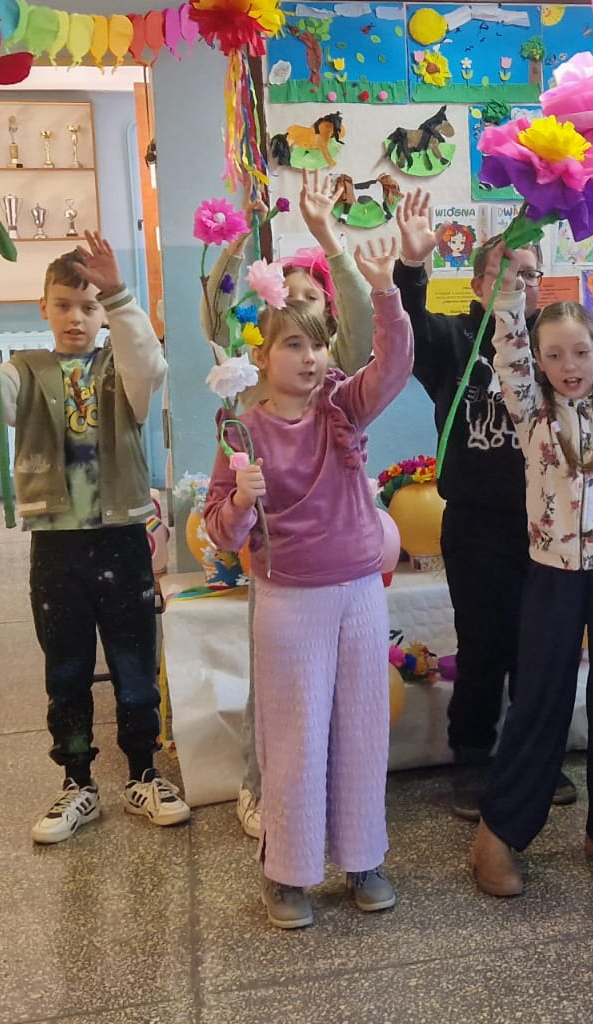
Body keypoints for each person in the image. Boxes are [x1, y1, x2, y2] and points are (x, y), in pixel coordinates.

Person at [204, 234, 412, 930]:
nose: (311, 357)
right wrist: (241, 501)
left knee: (361, 731)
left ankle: (364, 859)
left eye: (318, 344)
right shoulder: (242, 431)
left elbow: (395, 364)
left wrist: (385, 292)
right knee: (295, 739)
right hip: (289, 600)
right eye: (294, 344)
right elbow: (220, 534)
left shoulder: (342, 407)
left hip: (358, 592)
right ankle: (287, 873)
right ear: (262, 356)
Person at [0, 234, 182, 844]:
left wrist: (121, 295)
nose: (76, 318)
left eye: (88, 306)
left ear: (104, 312)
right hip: (57, 543)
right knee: (67, 666)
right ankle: (77, 781)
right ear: (44, 308)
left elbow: (150, 367)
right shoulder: (26, 371)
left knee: (135, 662)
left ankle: (142, 771)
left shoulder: (121, 370)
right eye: (63, 305)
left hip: (122, 537)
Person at [469, 220, 593, 897]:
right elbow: (507, 345)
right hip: (552, 577)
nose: (569, 365)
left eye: (581, 351)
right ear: (539, 361)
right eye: (554, 354)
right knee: (540, 702)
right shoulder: (530, 410)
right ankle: (497, 836)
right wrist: (505, 287)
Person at [392, 192, 577, 819]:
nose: (521, 284)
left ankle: (532, 757)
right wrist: (411, 269)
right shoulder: (455, 338)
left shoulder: (554, 345)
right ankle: (472, 756)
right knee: (483, 646)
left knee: (539, 648)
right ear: (477, 285)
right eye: (506, 272)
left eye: (531, 274)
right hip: (475, 526)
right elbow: (409, 330)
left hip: (546, 524)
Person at [234, 169, 375, 842]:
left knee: (341, 695)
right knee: (278, 689)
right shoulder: (253, 396)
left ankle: (342, 815)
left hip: (341, 556)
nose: (296, 309)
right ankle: (262, 788)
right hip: (279, 562)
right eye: (284, 302)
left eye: (310, 303)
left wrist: (330, 239)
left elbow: (367, 325)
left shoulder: (338, 381)